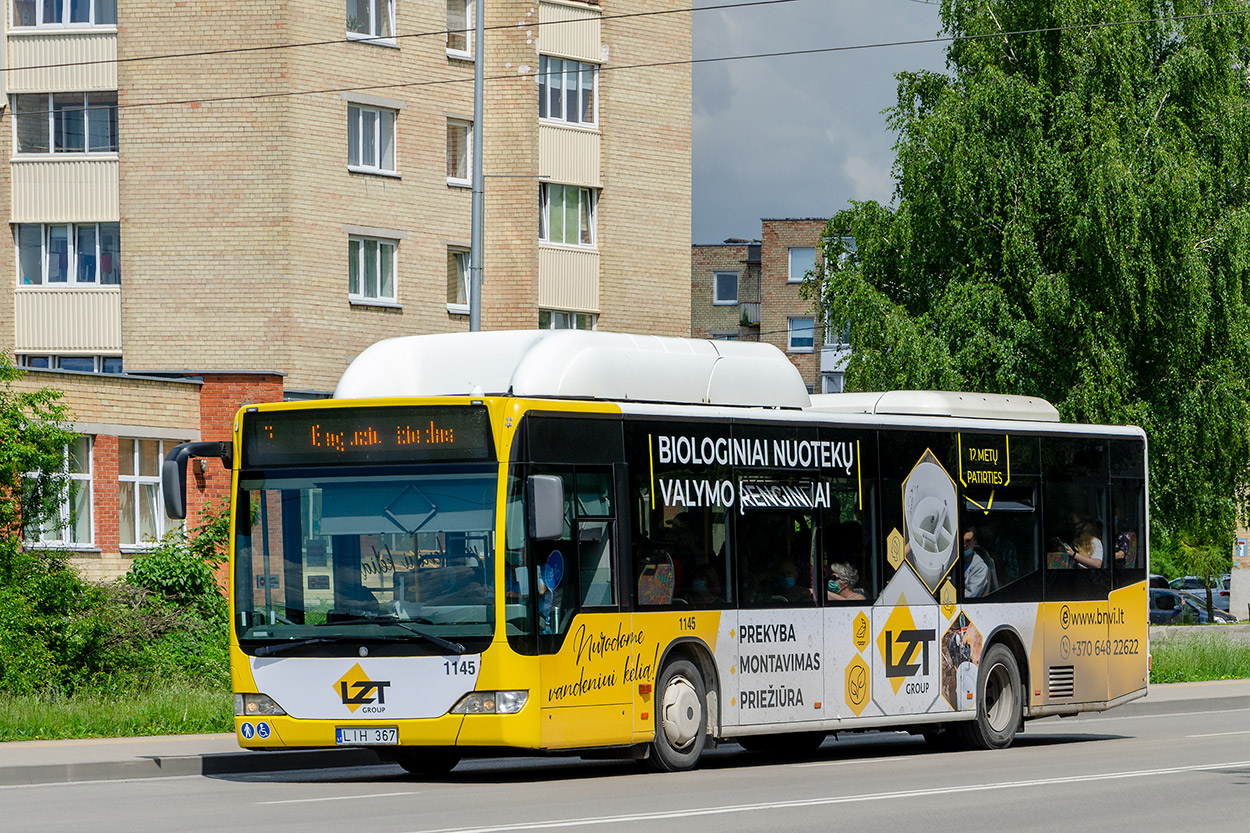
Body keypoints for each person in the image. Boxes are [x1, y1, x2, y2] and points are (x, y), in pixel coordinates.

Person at [962, 525, 994, 598]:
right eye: (962, 541)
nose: (964, 545)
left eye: (968, 541)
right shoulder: (952, 562)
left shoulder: (980, 567)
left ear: (975, 543)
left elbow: (971, 595)